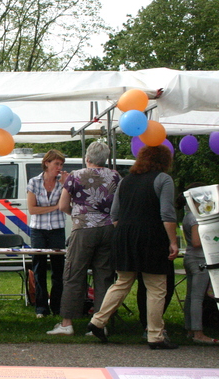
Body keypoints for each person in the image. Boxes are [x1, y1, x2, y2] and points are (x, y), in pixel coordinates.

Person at [87, 145, 179, 350]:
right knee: (156, 287)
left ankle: (97, 321)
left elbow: (114, 214)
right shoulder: (163, 180)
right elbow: (167, 214)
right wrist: (173, 241)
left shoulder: (126, 180)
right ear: (164, 161)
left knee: (122, 281)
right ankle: (155, 335)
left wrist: (128, 231)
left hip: (124, 235)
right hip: (152, 236)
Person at [46, 142, 119, 336]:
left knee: (73, 274)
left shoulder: (75, 177)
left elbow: (62, 205)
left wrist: (77, 215)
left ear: (87, 158)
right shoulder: (115, 176)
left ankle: (67, 323)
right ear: (105, 159)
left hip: (84, 229)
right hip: (108, 229)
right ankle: (99, 324)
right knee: (104, 277)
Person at [26, 149, 68, 318]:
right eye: (56, 164)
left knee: (58, 269)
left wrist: (67, 185)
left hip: (57, 228)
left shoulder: (63, 182)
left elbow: (67, 204)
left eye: (61, 164)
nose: (59, 167)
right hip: (39, 230)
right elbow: (32, 209)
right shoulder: (34, 182)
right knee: (39, 268)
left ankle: (57, 306)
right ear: (46, 163)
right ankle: (41, 307)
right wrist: (55, 207)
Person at [177, 182, 219, 345]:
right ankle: (198, 332)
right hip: (200, 259)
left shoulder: (188, 215)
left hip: (191, 258)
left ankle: (190, 329)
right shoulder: (196, 217)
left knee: (191, 296)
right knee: (197, 296)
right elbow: (196, 241)